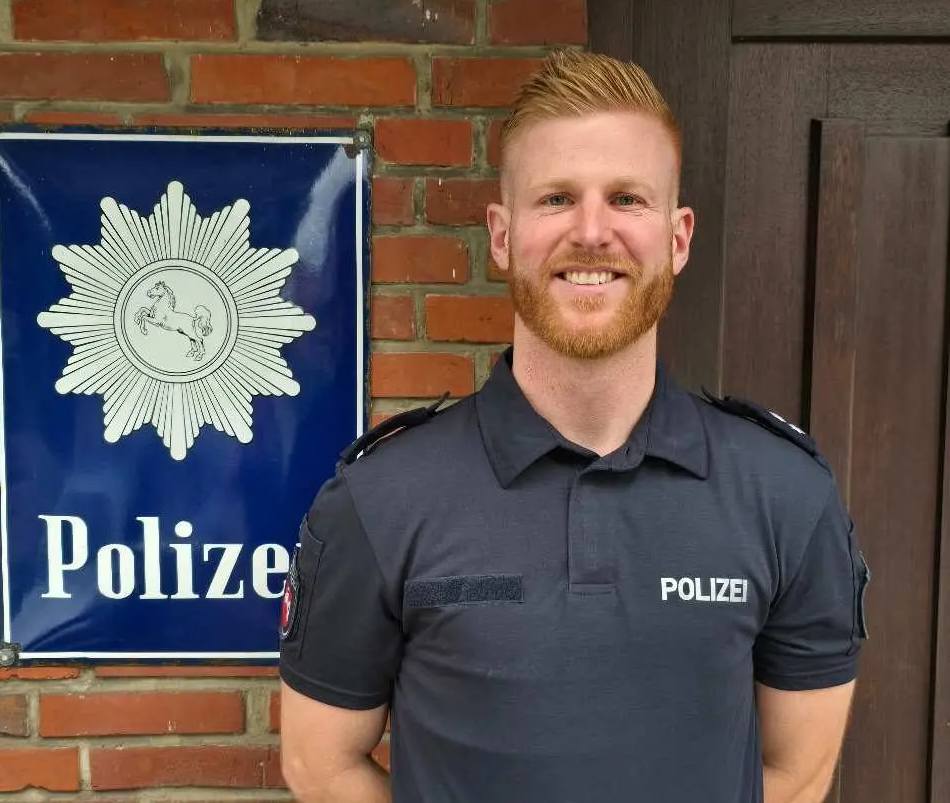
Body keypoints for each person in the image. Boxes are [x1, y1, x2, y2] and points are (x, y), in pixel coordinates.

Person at [277, 48, 870, 803]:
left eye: (627, 198)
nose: (591, 231)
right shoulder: (379, 500)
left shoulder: (786, 495)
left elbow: (796, 773)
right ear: (501, 235)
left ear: (678, 237)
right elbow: (320, 766)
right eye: (556, 198)